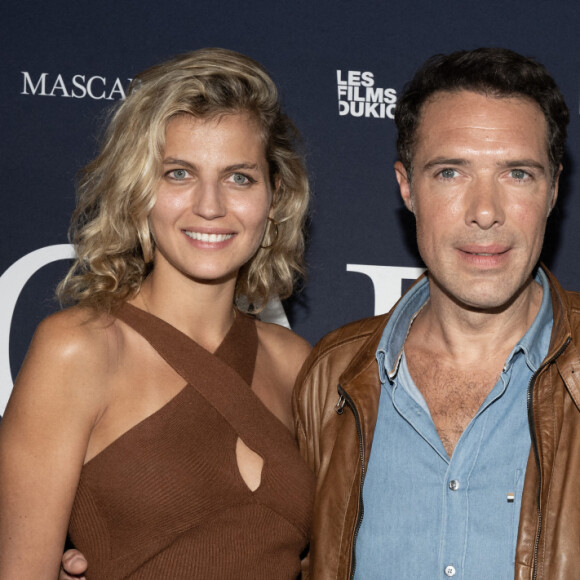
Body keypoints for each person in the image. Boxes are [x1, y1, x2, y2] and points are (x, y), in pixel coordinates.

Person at [0, 48, 314, 579]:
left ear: (274, 195)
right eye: (178, 173)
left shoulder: (297, 363)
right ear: (139, 190)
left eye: (239, 177)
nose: (210, 205)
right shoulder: (80, 347)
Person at [293, 48, 579, 579]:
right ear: (407, 186)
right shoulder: (331, 376)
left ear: (554, 188)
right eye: (451, 172)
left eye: (517, 174)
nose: (485, 212)